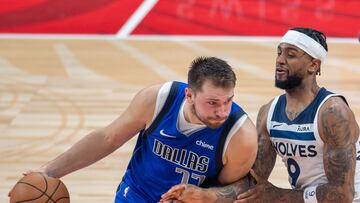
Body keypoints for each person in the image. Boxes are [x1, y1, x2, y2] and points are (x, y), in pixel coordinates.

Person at [8, 56, 257, 202]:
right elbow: (108, 138)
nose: (222, 111)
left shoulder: (240, 136)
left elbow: (240, 187)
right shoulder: (157, 100)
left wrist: (206, 197)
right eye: (213, 103)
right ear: (189, 95)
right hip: (136, 193)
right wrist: (49, 171)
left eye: (228, 101)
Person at [160, 27, 360, 203]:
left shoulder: (332, 112)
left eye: (291, 55)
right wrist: (202, 196)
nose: (280, 60)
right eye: (279, 53)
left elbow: (342, 195)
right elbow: (253, 181)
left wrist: (277, 196)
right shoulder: (269, 113)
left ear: (313, 65)